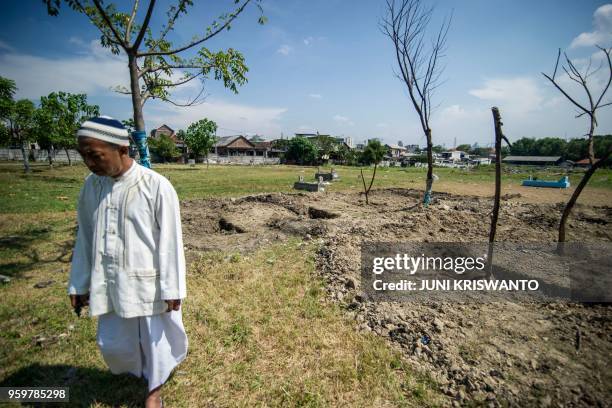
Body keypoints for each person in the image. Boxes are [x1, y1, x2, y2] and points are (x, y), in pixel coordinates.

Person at [68, 116, 188, 408]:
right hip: (108, 278)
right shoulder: (91, 187)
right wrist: (79, 282)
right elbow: (85, 236)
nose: (89, 163)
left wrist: (173, 288)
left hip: (148, 282)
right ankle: (134, 371)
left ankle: (153, 391)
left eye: (95, 155)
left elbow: (170, 242)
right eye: (83, 155)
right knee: (114, 341)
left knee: (154, 339)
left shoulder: (155, 186)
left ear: (122, 148)